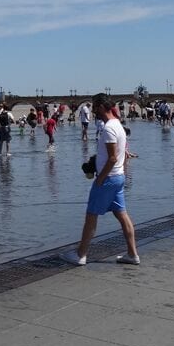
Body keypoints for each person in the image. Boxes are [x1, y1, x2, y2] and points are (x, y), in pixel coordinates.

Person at [62, 93, 140, 266]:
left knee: (91, 216)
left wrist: (100, 179)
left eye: (95, 107)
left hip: (108, 179)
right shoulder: (118, 125)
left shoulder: (109, 129)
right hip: (118, 177)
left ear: (102, 107)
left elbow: (112, 158)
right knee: (123, 216)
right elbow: (120, 155)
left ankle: (80, 255)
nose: (94, 111)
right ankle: (132, 254)